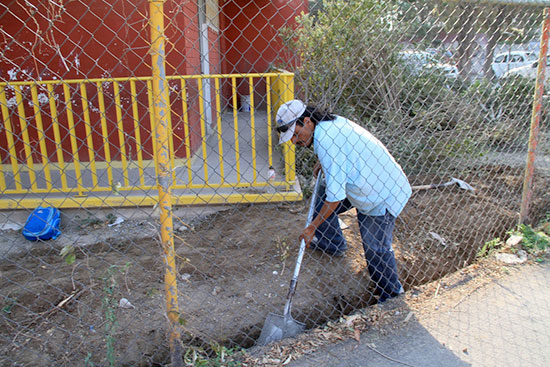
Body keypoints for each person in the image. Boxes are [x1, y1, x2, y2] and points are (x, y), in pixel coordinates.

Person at [275, 99, 412, 302]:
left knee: (376, 250)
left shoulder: (326, 140)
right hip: (370, 182)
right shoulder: (328, 125)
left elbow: (336, 197)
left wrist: (312, 227)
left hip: (381, 195)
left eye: (295, 134)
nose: (294, 141)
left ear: (307, 121)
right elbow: (344, 149)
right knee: (320, 196)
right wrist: (324, 161)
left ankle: (392, 297)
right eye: (291, 138)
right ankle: (333, 243)